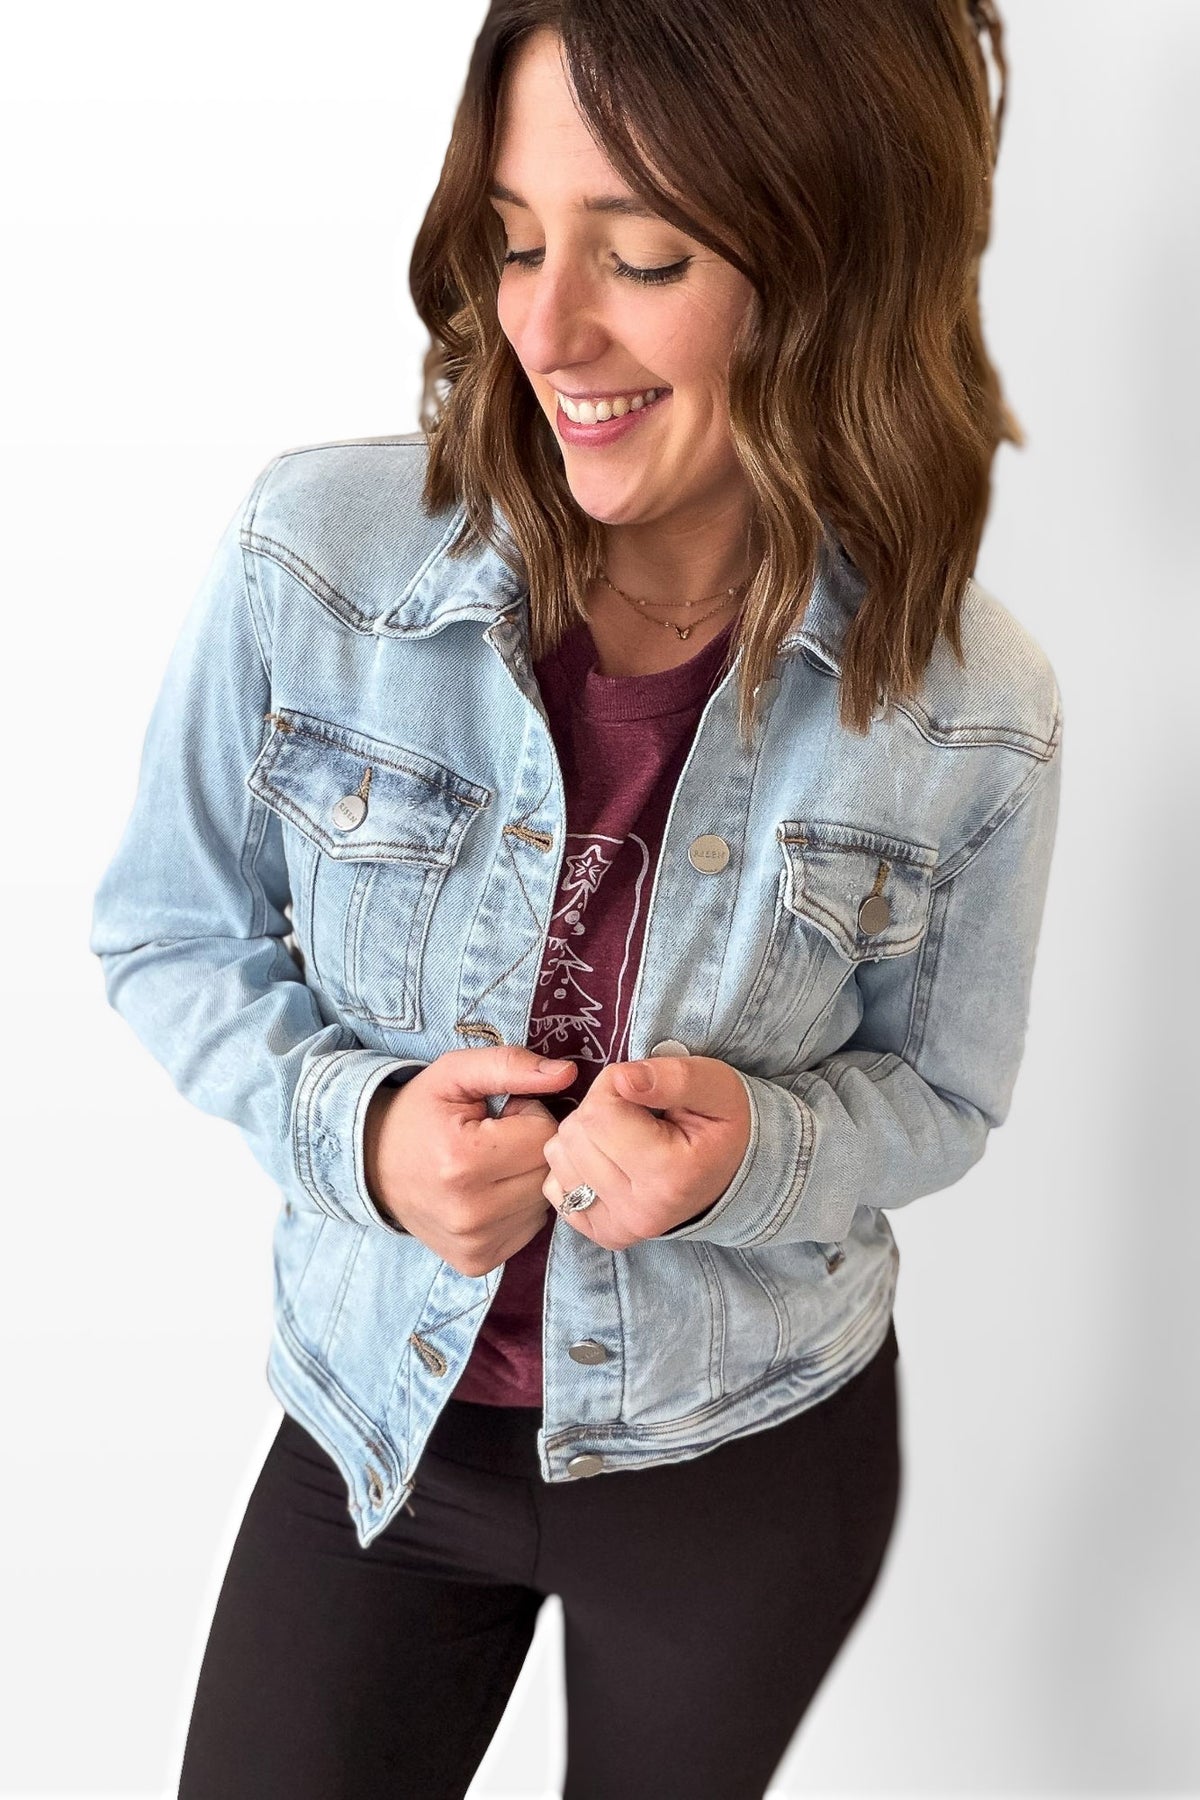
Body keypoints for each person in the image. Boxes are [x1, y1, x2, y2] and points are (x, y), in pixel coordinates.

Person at [89, 2, 1062, 1795]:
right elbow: (167, 931)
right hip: (380, 1433)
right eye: (519, 241)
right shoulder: (315, 558)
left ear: (834, 268)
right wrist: (362, 1130)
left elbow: (945, 1093)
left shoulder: (970, 706)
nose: (544, 328)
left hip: (752, 1458)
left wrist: (750, 1151)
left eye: (645, 255)